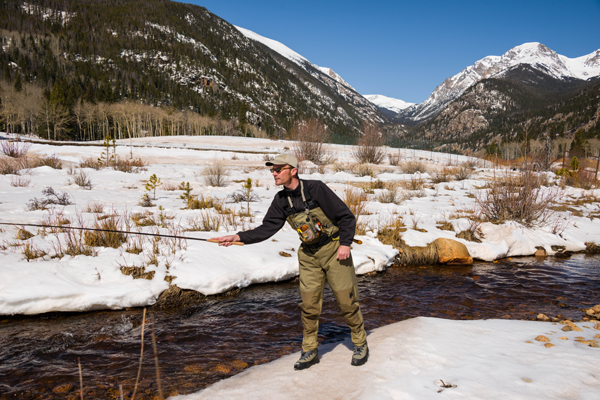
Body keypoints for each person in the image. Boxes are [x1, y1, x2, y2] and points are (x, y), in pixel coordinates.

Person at [214, 153, 368, 370]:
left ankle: (360, 342)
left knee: (346, 302)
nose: (274, 174)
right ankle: (309, 350)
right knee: (309, 305)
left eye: (278, 169)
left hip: (334, 250)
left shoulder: (316, 189)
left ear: (293, 170)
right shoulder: (280, 201)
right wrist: (236, 237)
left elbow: (346, 217)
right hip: (308, 255)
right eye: (272, 171)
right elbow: (266, 229)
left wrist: (345, 244)